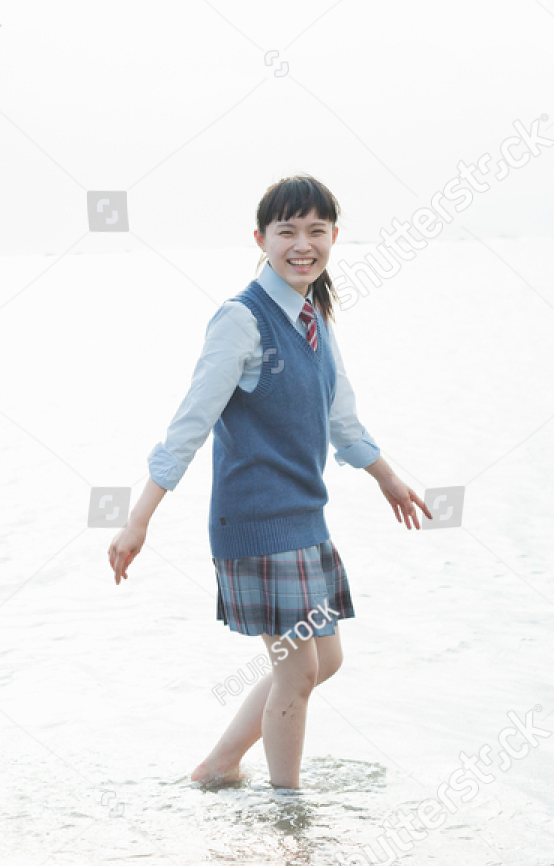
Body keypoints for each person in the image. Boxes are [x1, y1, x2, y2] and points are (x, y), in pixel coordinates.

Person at [107, 174, 431, 790]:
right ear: (261, 238)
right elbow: (189, 426)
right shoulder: (240, 320)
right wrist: (138, 518)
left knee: (323, 660)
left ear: (335, 236)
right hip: (255, 521)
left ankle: (217, 767)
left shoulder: (315, 316)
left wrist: (387, 478)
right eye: (288, 231)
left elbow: (342, 418)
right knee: (298, 671)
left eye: (316, 231)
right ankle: (290, 815)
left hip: (304, 516)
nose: (302, 244)